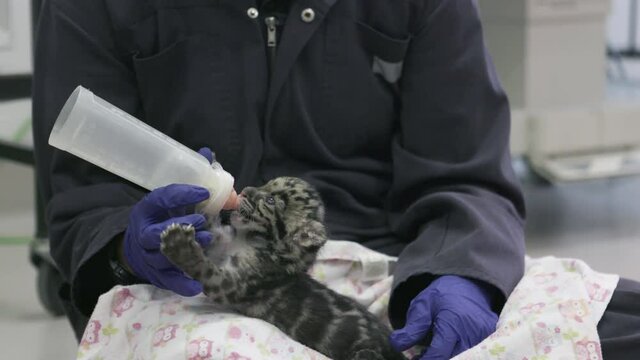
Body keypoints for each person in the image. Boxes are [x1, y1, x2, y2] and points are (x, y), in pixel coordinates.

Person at [32, 0, 639, 359]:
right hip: (192, 287)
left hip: (394, 264)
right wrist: (125, 249)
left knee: (596, 326)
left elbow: (468, 174)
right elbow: (83, 200)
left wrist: (463, 276)